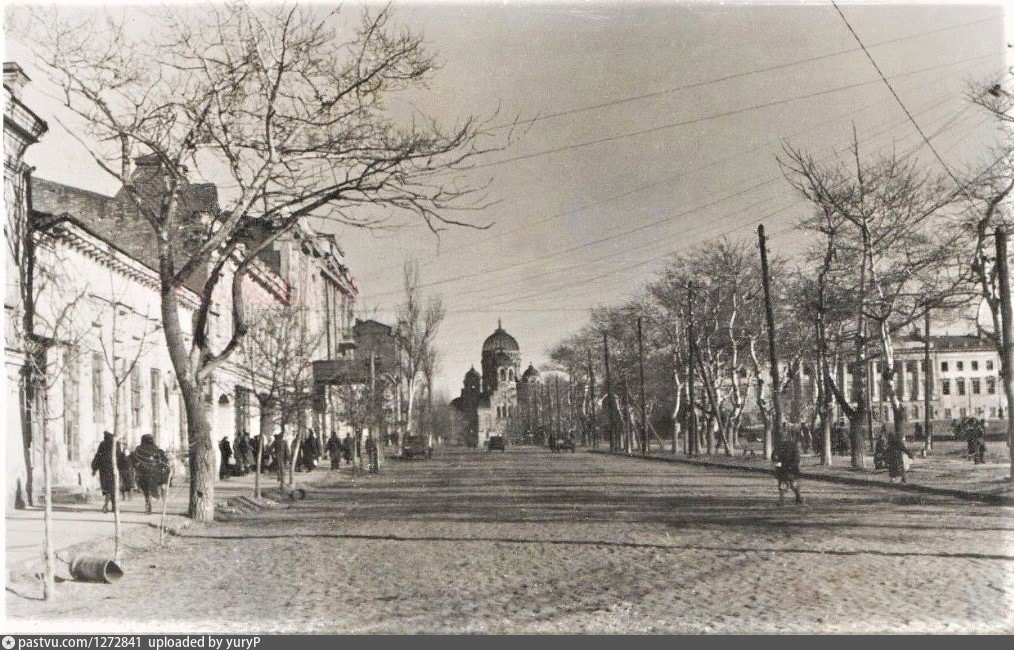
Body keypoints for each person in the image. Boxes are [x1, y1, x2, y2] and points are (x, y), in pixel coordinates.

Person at [133, 434, 170, 514]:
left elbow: (134, 459)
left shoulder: (138, 449)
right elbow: (164, 460)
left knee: (145, 489)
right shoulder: (156, 449)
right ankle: (161, 494)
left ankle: (148, 502)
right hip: (154, 473)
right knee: (161, 481)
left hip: (142, 473)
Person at [91, 431, 118, 514]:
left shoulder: (102, 444)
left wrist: (94, 469)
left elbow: (98, 456)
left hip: (104, 470)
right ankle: (113, 506)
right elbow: (119, 456)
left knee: (107, 488)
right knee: (113, 488)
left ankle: (107, 504)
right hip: (113, 469)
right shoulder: (116, 444)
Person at [771, 435, 803, 504]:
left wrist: (792, 465)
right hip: (782, 468)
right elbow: (774, 457)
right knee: (782, 484)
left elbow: (796, 457)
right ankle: (782, 500)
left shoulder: (792, 445)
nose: (784, 438)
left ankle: (798, 497)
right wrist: (778, 466)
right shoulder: (778, 446)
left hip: (791, 469)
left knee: (793, 483)